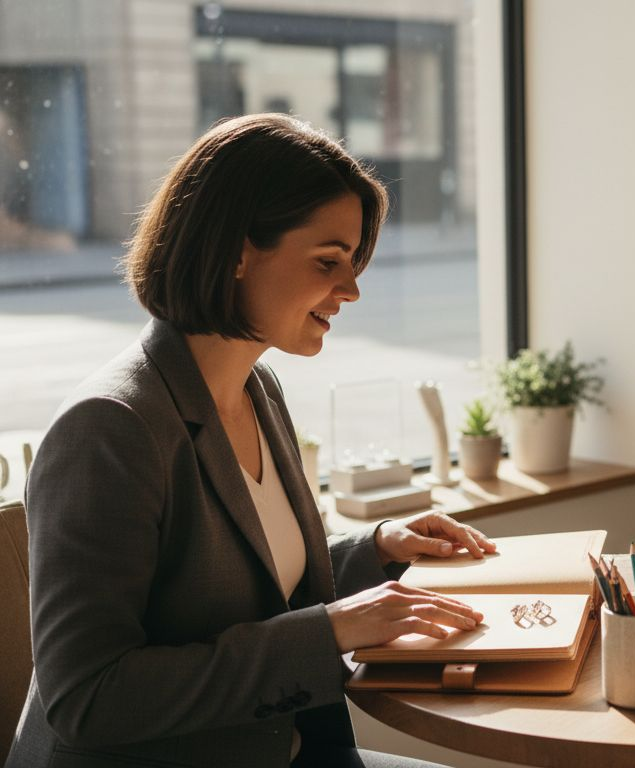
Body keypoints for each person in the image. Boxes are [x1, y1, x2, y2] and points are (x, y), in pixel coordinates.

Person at [10, 114, 494, 768]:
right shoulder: (110, 429)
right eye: (329, 262)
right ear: (237, 251)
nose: (351, 291)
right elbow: (87, 699)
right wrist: (329, 633)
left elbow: (255, 578)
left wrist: (375, 551)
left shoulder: (257, 389)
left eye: (354, 264)